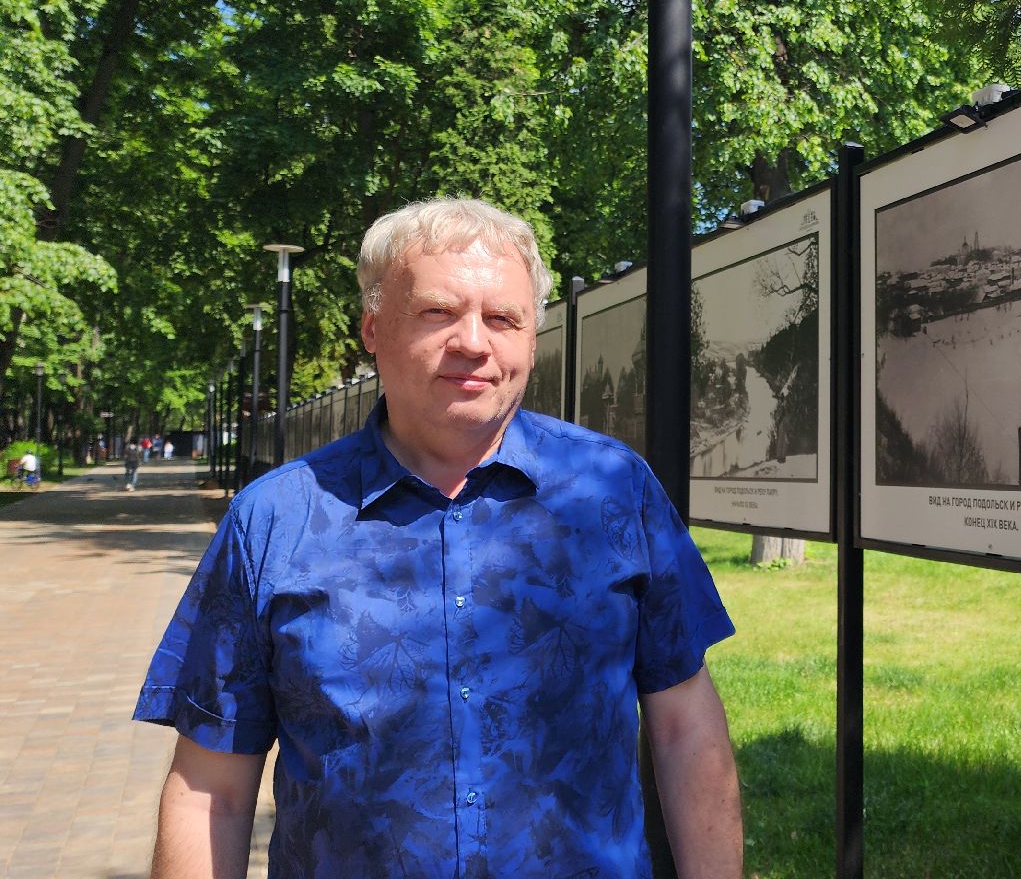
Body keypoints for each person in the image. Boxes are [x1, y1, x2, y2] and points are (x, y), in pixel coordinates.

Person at [133, 199, 742, 878]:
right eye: (438, 313)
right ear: (371, 327)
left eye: (503, 318)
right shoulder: (273, 521)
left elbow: (687, 729)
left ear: (532, 338)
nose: (474, 342)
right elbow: (211, 792)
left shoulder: (614, 492)